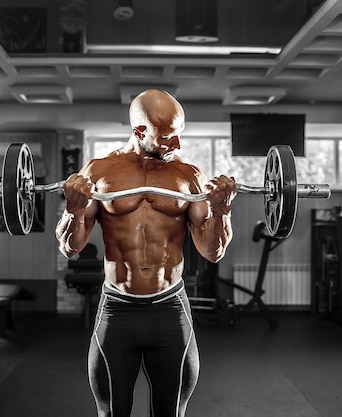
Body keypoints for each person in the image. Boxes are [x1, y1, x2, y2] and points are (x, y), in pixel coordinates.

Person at [56, 89, 236, 417]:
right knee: (111, 413)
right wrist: (74, 209)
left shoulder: (188, 176)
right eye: (168, 137)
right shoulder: (99, 172)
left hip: (170, 311)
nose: (177, 145)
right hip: (117, 311)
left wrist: (221, 211)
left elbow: (213, 253)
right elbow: (71, 247)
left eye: (179, 136)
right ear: (140, 132)